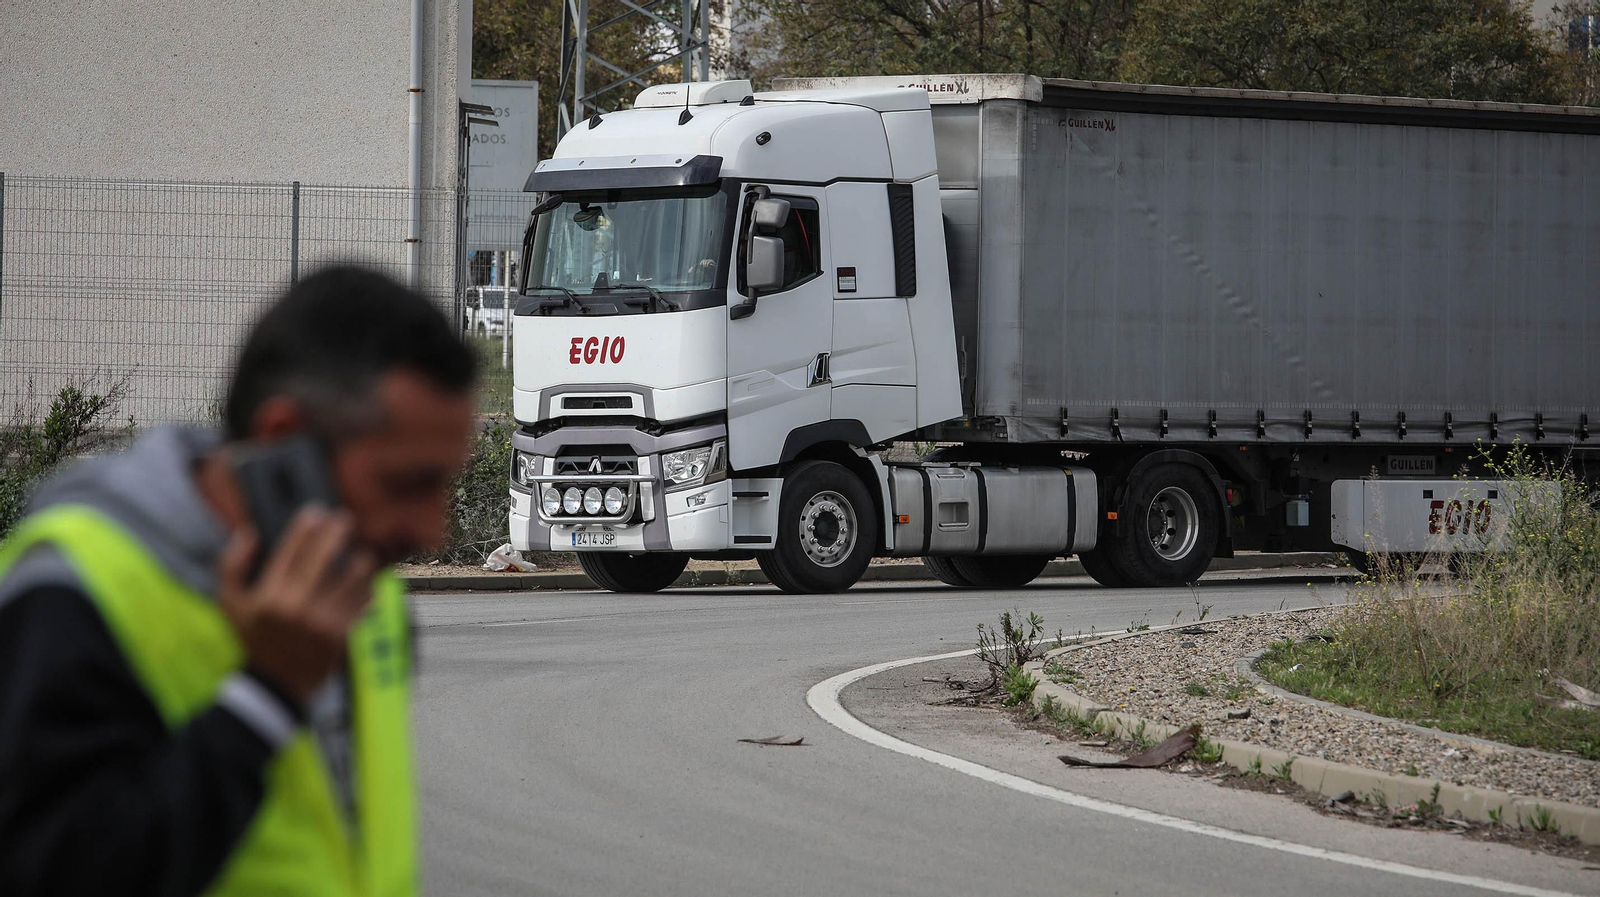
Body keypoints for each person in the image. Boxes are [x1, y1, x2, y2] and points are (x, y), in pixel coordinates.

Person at [0, 265, 478, 896]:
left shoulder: (364, 584)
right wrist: (266, 696)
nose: (433, 529)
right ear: (284, 438)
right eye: (408, 485)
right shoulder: (74, 592)